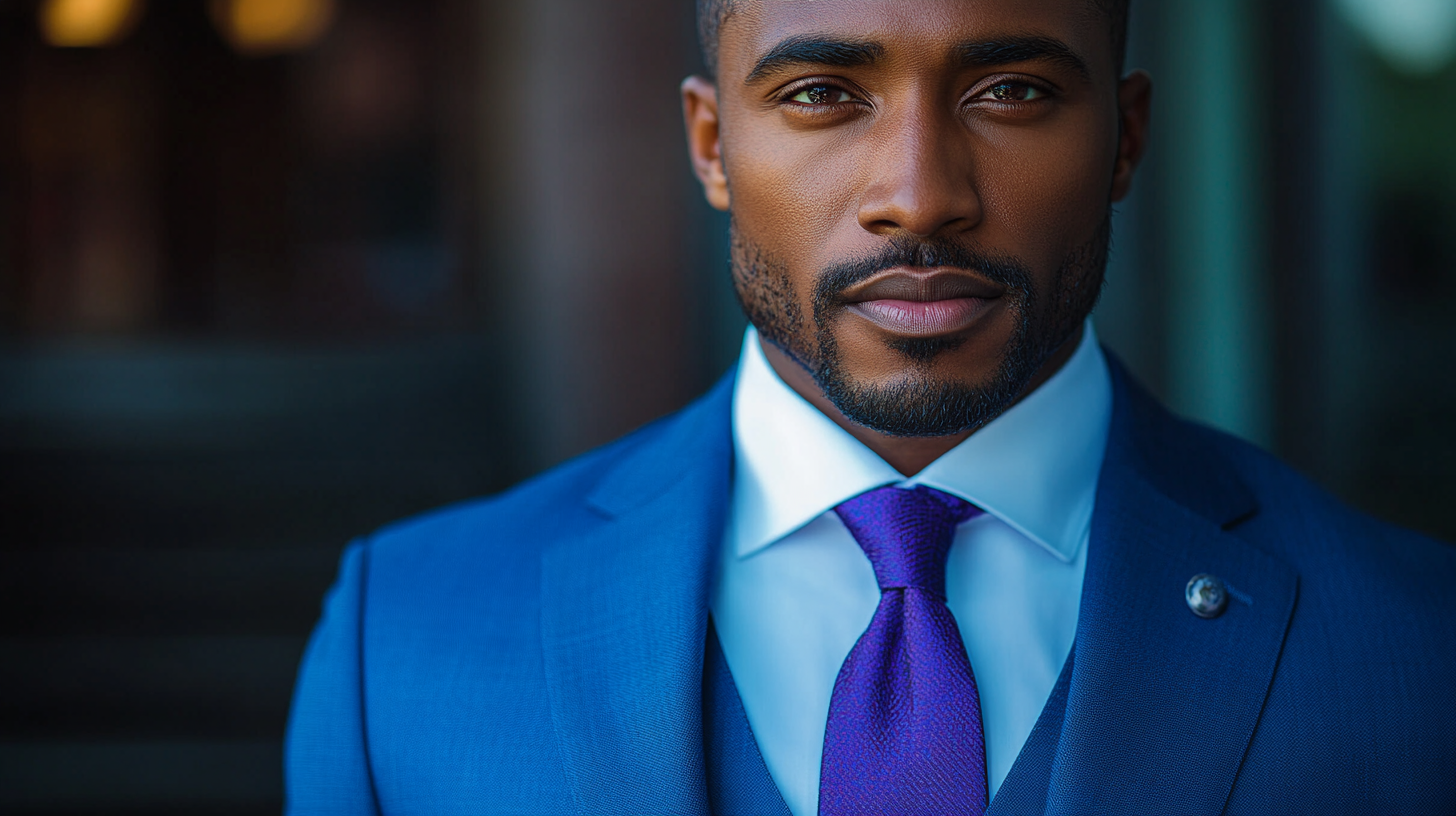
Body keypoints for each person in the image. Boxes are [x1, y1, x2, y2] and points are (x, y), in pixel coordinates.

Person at [284, 0, 1456, 813]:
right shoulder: (403, 644)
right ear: (710, 144)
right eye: (821, 92)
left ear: (1125, 138)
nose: (918, 196)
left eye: (1010, 89)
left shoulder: (1416, 647)